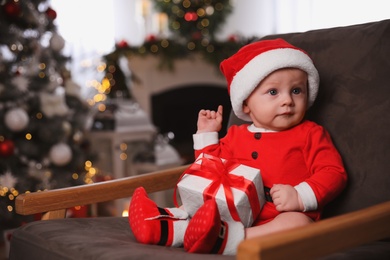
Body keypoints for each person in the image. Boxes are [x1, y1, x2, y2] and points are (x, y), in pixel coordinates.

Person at [128, 38, 347, 255]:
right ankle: (162, 225)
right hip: (233, 209)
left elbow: (333, 172)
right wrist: (207, 134)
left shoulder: (310, 133)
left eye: (297, 91)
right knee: (201, 206)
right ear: (246, 104)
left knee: (297, 223)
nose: (287, 100)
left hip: (278, 215)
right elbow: (209, 169)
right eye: (273, 92)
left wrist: (300, 196)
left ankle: (228, 239)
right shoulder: (236, 135)